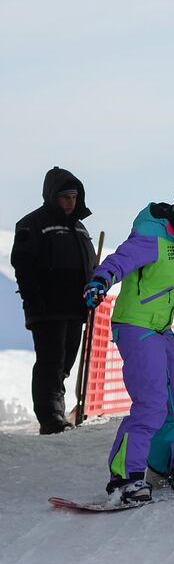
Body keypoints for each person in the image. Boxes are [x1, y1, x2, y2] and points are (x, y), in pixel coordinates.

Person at [81, 179, 174, 504]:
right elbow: (119, 261)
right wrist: (100, 281)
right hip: (135, 325)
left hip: (160, 328)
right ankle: (124, 478)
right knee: (151, 403)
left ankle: (162, 466)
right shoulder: (151, 236)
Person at [11, 167, 97, 434]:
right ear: (52, 196)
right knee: (50, 362)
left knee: (65, 363)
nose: (70, 202)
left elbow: (89, 266)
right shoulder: (32, 223)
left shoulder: (80, 228)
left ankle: (56, 410)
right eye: (65, 197)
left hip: (76, 308)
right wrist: (33, 299)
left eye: (74, 196)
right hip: (47, 309)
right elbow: (22, 263)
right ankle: (50, 418)